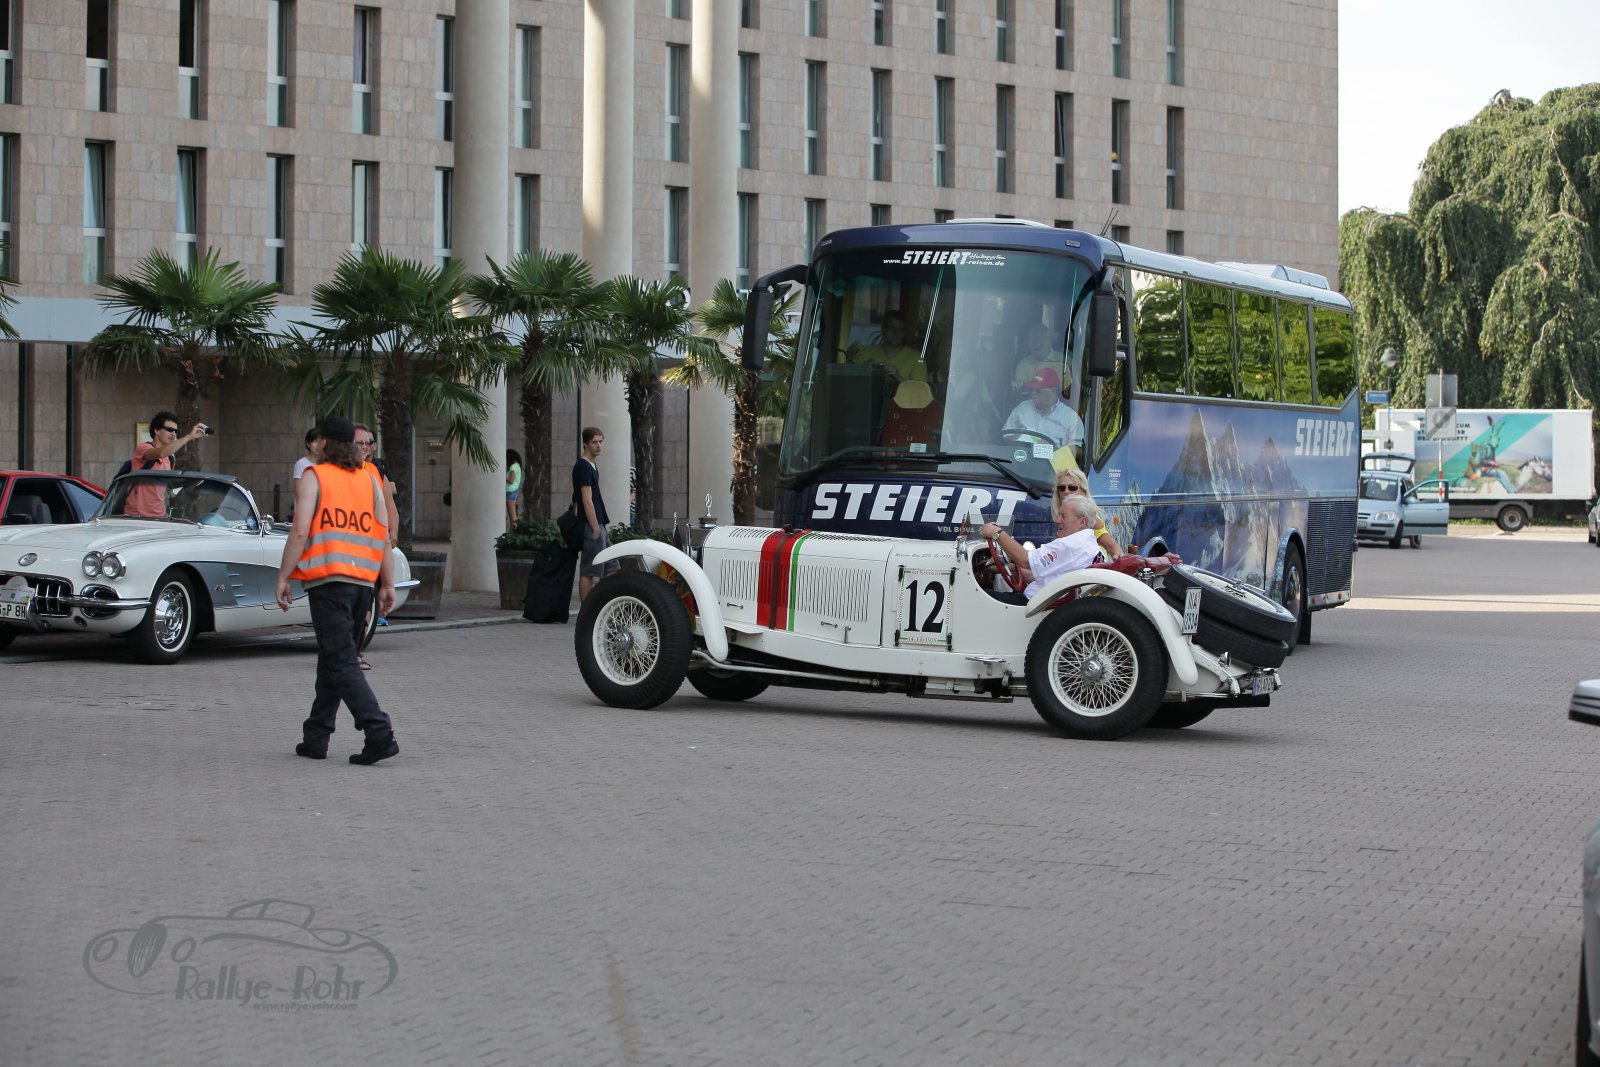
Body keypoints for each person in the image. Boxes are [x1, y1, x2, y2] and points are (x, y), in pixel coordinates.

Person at [276, 415, 399, 766]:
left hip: (329, 581)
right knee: (332, 658)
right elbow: (382, 536)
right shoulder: (369, 479)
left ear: (325, 443)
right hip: (363, 583)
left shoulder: (315, 476)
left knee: (341, 660)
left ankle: (379, 732)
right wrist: (387, 584)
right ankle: (316, 737)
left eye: (319, 440)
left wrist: (284, 576)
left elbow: (300, 530)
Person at [981, 493, 1102, 599]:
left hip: (1035, 606)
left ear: (1082, 522)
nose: (1057, 520)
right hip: (1046, 602)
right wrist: (1003, 568)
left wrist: (996, 533)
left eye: (1063, 516)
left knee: (975, 598)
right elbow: (1040, 575)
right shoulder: (1088, 544)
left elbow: (1025, 560)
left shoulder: (1071, 544)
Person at [125, 410, 209, 518]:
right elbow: (160, 453)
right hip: (137, 515)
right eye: (169, 430)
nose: (173, 434)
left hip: (159, 516)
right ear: (157, 430)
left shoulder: (170, 458)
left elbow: (163, 490)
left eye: (175, 431)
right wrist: (189, 436)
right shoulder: (143, 448)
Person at [572, 426, 618, 600]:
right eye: (594, 442)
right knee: (589, 569)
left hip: (600, 522)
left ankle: (603, 603)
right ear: (585, 444)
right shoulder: (583, 467)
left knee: (612, 566)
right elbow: (586, 499)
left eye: (601, 441)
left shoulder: (591, 465)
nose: (599, 445)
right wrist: (594, 526)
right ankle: (587, 608)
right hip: (592, 524)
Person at [1002, 368, 1084, 450]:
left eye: (1038, 391)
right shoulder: (1022, 408)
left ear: (1053, 392)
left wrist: (1052, 449)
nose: (1033, 394)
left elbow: (1077, 451)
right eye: (1032, 390)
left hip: (1055, 458)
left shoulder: (1070, 417)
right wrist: (1016, 437)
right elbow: (1004, 436)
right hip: (1022, 455)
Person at [1054, 467, 1122, 558]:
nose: (1066, 491)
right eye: (1062, 488)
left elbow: (1111, 546)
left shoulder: (1089, 517)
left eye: (1072, 487)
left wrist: (1119, 558)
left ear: (1083, 491)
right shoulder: (1056, 513)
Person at [354, 424, 399, 550]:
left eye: (368, 443)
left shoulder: (376, 471)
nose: (365, 447)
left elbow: (390, 506)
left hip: (375, 540)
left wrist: (394, 532)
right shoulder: (337, 472)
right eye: (360, 443)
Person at [852, 310, 927, 383]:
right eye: (891, 328)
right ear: (883, 329)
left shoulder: (917, 358)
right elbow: (853, 384)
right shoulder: (865, 353)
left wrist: (897, 377)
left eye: (900, 329)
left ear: (904, 332)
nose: (895, 333)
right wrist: (866, 370)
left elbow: (921, 390)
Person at [505, 448, 524, 528]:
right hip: (513, 491)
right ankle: (513, 532)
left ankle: (514, 533)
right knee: (512, 515)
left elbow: (511, 480)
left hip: (510, 491)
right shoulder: (517, 466)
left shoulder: (513, 466)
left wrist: (503, 476)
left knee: (512, 516)